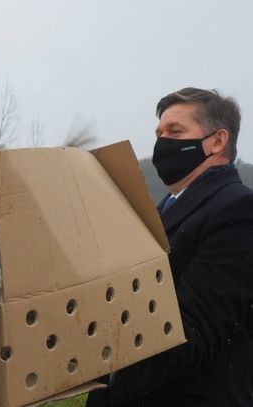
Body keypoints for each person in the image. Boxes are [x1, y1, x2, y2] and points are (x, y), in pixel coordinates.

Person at [87, 87, 253, 406]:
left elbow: (194, 332)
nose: (162, 142)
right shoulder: (157, 210)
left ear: (218, 141)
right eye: (159, 132)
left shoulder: (237, 209)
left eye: (175, 131)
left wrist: (98, 363)